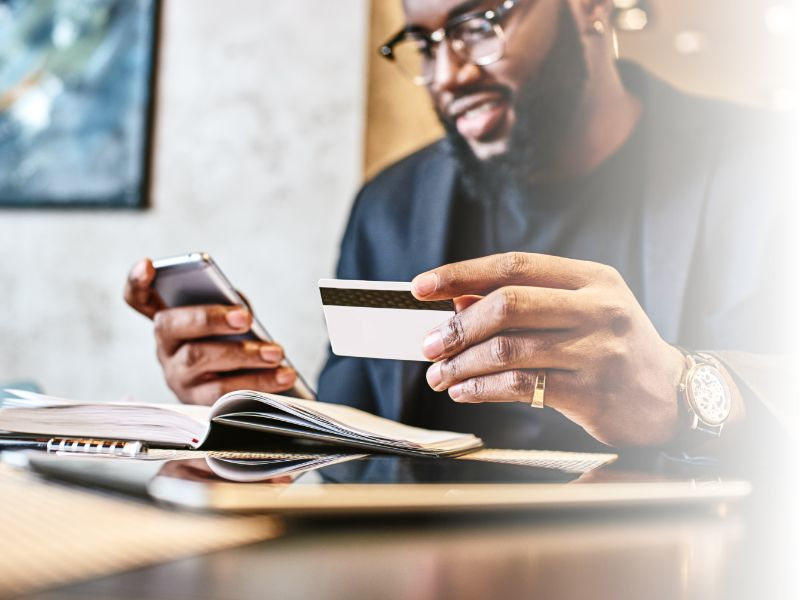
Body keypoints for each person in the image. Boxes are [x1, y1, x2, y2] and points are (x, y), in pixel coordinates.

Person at [125, 0, 796, 454]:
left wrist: (683, 389)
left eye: (480, 22)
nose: (450, 74)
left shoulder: (767, 167)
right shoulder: (389, 204)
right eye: (424, 43)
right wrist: (263, 411)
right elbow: (355, 442)